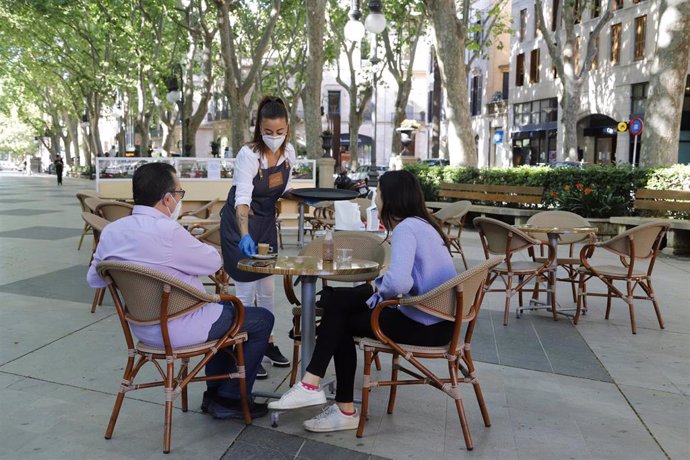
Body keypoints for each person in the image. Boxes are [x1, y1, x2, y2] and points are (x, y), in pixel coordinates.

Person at [268, 170, 457, 433]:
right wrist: (377, 293)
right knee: (340, 303)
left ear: (391, 197)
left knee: (339, 317)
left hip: (423, 324)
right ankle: (317, 388)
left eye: (378, 192)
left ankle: (324, 394)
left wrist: (378, 292)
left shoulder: (406, 229)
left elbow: (398, 283)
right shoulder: (424, 225)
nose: (375, 198)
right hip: (439, 321)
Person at [87, 162, 273, 419]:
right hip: (180, 327)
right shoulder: (168, 231)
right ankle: (229, 398)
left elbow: (95, 279)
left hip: (142, 328)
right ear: (167, 198)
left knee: (225, 312)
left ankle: (215, 395)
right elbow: (213, 262)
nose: (179, 200)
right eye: (179, 194)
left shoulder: (112, 231)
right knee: (261, 318)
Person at [220, 96, 294, 378]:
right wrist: (244, 234)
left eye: (280, 132)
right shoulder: (248, 155)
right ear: (258, 128)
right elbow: (242, 199)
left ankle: (267, 342)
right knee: (245, 290)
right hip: (239, 225)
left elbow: (284, 189)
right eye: (268, 132)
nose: (274, 137)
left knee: (267, 290)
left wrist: (310, 197)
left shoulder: (289, 154)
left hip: (265, 224)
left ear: (287, 128)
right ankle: (243, 347)